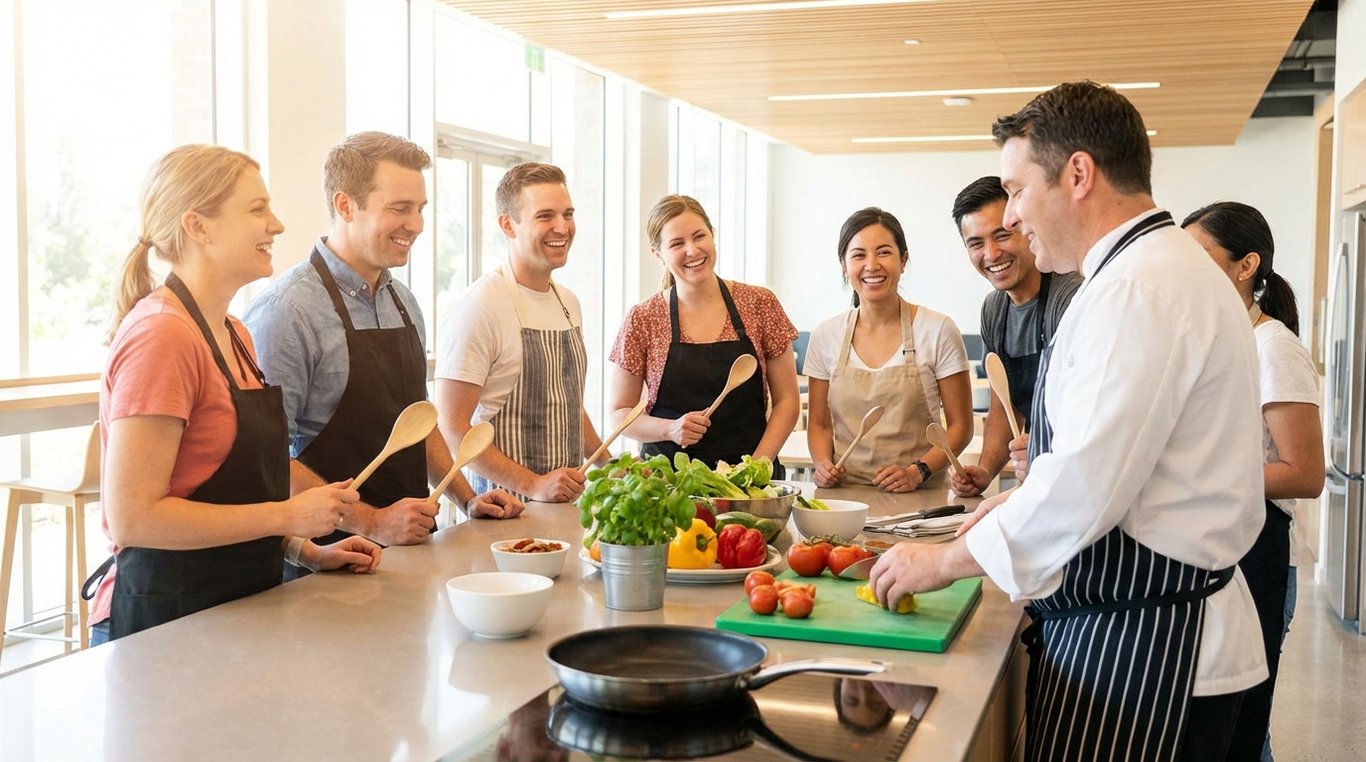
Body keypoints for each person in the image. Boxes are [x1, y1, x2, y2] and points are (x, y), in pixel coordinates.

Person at [869, 82, 1268, 761]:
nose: (1015, 218)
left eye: (1018, 191)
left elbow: (1085, 486)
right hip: (1146, 634)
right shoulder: (1146, 272)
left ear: (1078, 175)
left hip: (1153, 654)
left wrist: (944, 562)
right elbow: (1115, 462)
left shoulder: (1138, 289)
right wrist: (1004, 512)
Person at [88, 145, 381, 644]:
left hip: (233, 609)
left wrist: (303, 550)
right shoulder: (163, 336)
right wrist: (288, 514)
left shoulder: (235, 334)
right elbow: (133, 517)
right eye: (256, 209)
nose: (277, 224)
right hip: (163, 623)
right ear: (198, 226)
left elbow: (227, 491)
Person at [245, 133, 521, 573]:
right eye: (399, 208)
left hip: (409, 555)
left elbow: (418, 417)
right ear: (345, 205)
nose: (415, 224)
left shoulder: (403, 302)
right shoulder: (287, 311)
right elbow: (269, 459)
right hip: (325, 567)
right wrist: (372, 521)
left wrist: (467, 498)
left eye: (420, 209)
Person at [1183, 201, 1324, 762]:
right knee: (1229, 727)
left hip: (1261, 554)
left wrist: (1206, 477)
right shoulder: (1220, 339)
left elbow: (1305, 473)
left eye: (1201, 257)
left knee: (1241, 728)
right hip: (1222, 547)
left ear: (1247, 266)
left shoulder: (1275, 348)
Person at [435, 162, 604, 502]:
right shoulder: (480, 306)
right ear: (507, 225)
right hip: (505, 516)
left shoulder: (568, 302)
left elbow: (568, 406)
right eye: (545, 216)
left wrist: (608, 463)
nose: (562, 227)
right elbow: (452, 428)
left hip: (564, 508)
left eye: (567, 214)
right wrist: (533, 485)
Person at [606, 195, 799, 473]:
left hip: (751, 481)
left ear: (713, 235)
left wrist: (756, 468)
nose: (692, 250)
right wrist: (669, 429)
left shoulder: (760, 303)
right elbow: (619, 413)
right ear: (657, 253)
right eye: (676, 244)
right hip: (668, 486)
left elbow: (788, 401)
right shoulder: (643, 318)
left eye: (699, 236)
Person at [804, 208, 973, 492]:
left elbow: (960, 427)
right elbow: (819, 425)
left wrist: (917, 472)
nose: (871, 265)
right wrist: (822, 464)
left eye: (883, 252)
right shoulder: (826, 334)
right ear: (844, 265)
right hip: (845, 498)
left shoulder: (938, 330)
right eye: (858, 255)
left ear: (903, 259)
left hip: (920, 499)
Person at [947, 177, 1081, 497]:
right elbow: (1002, 407)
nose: (991, 254)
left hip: (1077, 474)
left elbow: (1092, 407)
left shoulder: (1071, 294)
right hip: (1037, 478)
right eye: (976, 243)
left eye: (1002, 236)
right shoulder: (995, 310)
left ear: (1025, 228)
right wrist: (985, 470)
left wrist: (1045, 447)